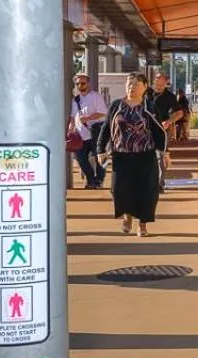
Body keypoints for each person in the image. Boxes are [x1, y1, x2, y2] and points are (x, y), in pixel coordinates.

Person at [98, 74, 167, 237]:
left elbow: (159, 131)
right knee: (119, 189)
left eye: (136, 84)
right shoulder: (116, 106)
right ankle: (127, 216)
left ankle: (142, 225)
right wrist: (100, 149)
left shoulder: (149, 107)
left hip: (145, 156)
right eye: (129, 83)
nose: (132, 87)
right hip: (121, 156)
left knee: (146, 191)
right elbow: (106, 128)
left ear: (144, 87)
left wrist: (165, 152)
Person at [71, 73, 108, 189]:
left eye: (82, 83)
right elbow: (73, 116)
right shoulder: (75, 99)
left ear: (88, 83)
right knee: (80, 159)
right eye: (77, 84)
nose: (80, 86)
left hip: (96, 132)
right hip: (80, 135)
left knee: (100, 157)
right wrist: (70, 128)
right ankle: (91, 179)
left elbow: (103, 112)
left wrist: (87, 118)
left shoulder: (96, 96)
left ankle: (99, 180)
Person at [145, 72, 178, 171]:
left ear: (166, 83)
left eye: (161, 84)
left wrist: (168, 122)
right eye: (157, 83)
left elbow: (179, 113)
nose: (158, 86)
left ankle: (160, 183)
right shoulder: (146, 93)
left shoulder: (170, 96)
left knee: (161, 153)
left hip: (162, 129)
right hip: (146, 128)